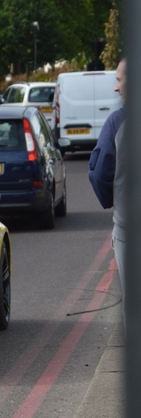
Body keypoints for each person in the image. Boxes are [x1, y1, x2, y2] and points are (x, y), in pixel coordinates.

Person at [88, 57, 126, 310]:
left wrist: (112, 201)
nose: (116, 87)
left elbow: (101, 172)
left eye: (119, 79)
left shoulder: (117, 122)